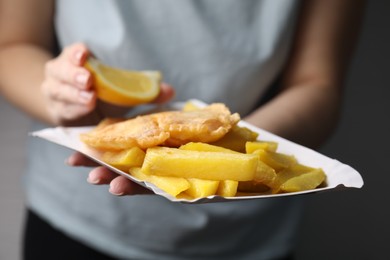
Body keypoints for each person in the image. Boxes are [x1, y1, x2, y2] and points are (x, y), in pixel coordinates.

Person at [0, 0, 365, 259]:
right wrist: (63, 98)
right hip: (75, 222)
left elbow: (319, 82)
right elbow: (11, 45)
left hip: (247, 238)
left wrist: (235, 154)